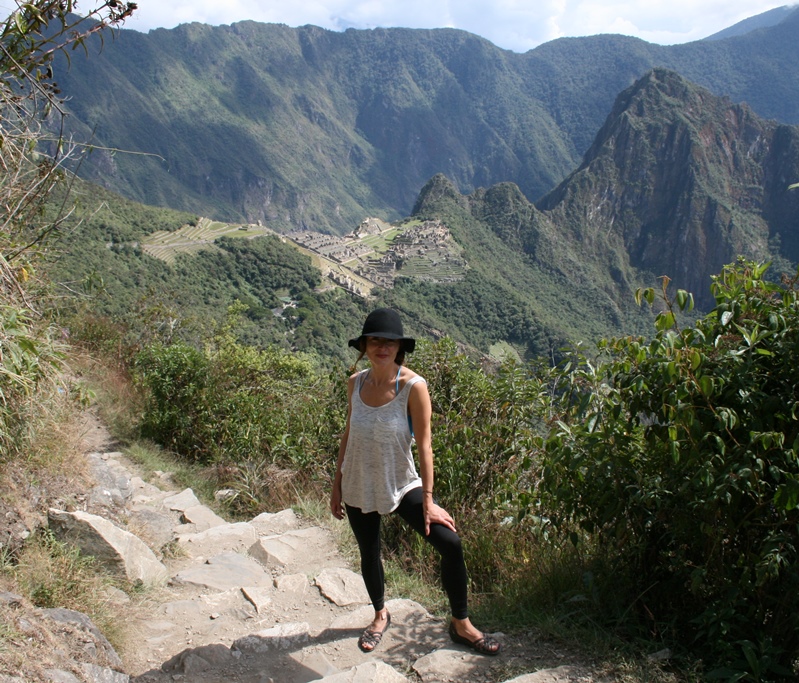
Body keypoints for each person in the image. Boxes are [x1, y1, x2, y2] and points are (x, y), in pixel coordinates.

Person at [330, 308, 501, 656]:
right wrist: (337, 482)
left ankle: (461, 624)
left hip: (402, 482)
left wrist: (428, 499)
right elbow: (348, 433)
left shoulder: (413, 386)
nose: (382, 346)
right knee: (369, 551)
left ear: (399, 347)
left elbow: (425, 446)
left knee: (450, 544)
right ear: (364, 345)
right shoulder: (355, 382)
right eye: (375, 340)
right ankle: (380, 614)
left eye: (389, 341)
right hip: (359, 481)